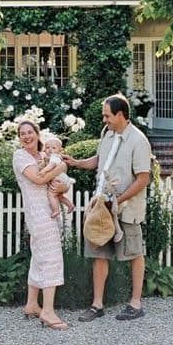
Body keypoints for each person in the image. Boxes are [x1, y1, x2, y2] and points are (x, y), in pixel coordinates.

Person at [63, 93, 151, 322]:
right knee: (99, 255)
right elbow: (100, 160)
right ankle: (97, 304)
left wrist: (119, 201)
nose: (104, 120)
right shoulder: (108, 134)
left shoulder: (138, 140)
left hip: (126, 209)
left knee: (134, 253)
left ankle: (135, 303)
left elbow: (143, 179)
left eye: (107, 115)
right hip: (101, 208)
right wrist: (76, 163)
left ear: (120, 114)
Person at [12, 120, 69, 330]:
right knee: (52, 258)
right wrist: (61, 167)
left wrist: (60, 180)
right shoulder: (20, 156)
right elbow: (37, 179)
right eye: (22, 134)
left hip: (48, 210)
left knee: (39, 256)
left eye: (30, 132)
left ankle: (31, 304)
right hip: (38, 214)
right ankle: (48, 311)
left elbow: (52, 181)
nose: (26, 136)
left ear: (37, 134)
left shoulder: (44, 155)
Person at [39, 136, 76, 218]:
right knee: (59, 196)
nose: (50, 149)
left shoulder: (55, 157)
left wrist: (43, 171)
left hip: (59, 179)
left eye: (53, 148)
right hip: (63, 180)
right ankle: (70, 205)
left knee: (51, 194)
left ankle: (56, 210)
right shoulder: (50, 158)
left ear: (59, 150)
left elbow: (51, 166)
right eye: (47, 147)